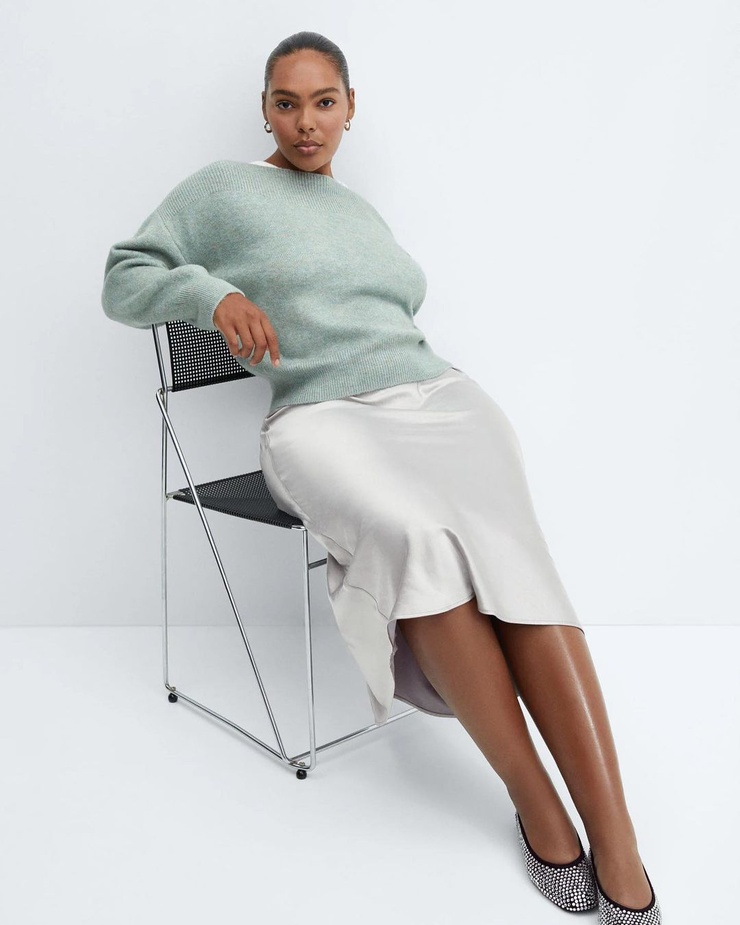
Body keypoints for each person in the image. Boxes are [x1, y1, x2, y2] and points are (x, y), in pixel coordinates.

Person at [101, 31, 662, 924]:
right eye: (287, 103)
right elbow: (124, 275)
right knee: (410, 538)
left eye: (324, 102)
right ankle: (539, 805)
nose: (306, 121)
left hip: (438, 399)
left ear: (351, 108)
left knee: (513, 553)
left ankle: (617, 832)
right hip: (318, 417)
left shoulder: (359, 212)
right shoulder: (223, 189)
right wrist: (213, 295)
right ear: (264, 110)